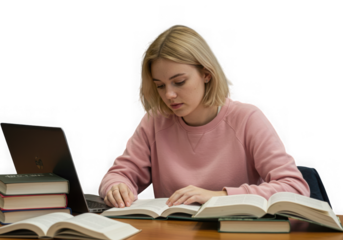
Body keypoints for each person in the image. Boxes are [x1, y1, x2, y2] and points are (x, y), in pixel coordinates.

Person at [98, 24, 310, 208]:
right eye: (160, 86)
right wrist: (117, 187)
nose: (169, 95)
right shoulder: (155, 120)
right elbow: (119, 174)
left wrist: (219, 197)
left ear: (206, 73)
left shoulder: (247, 118)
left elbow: (295, 188)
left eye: (179, 82)